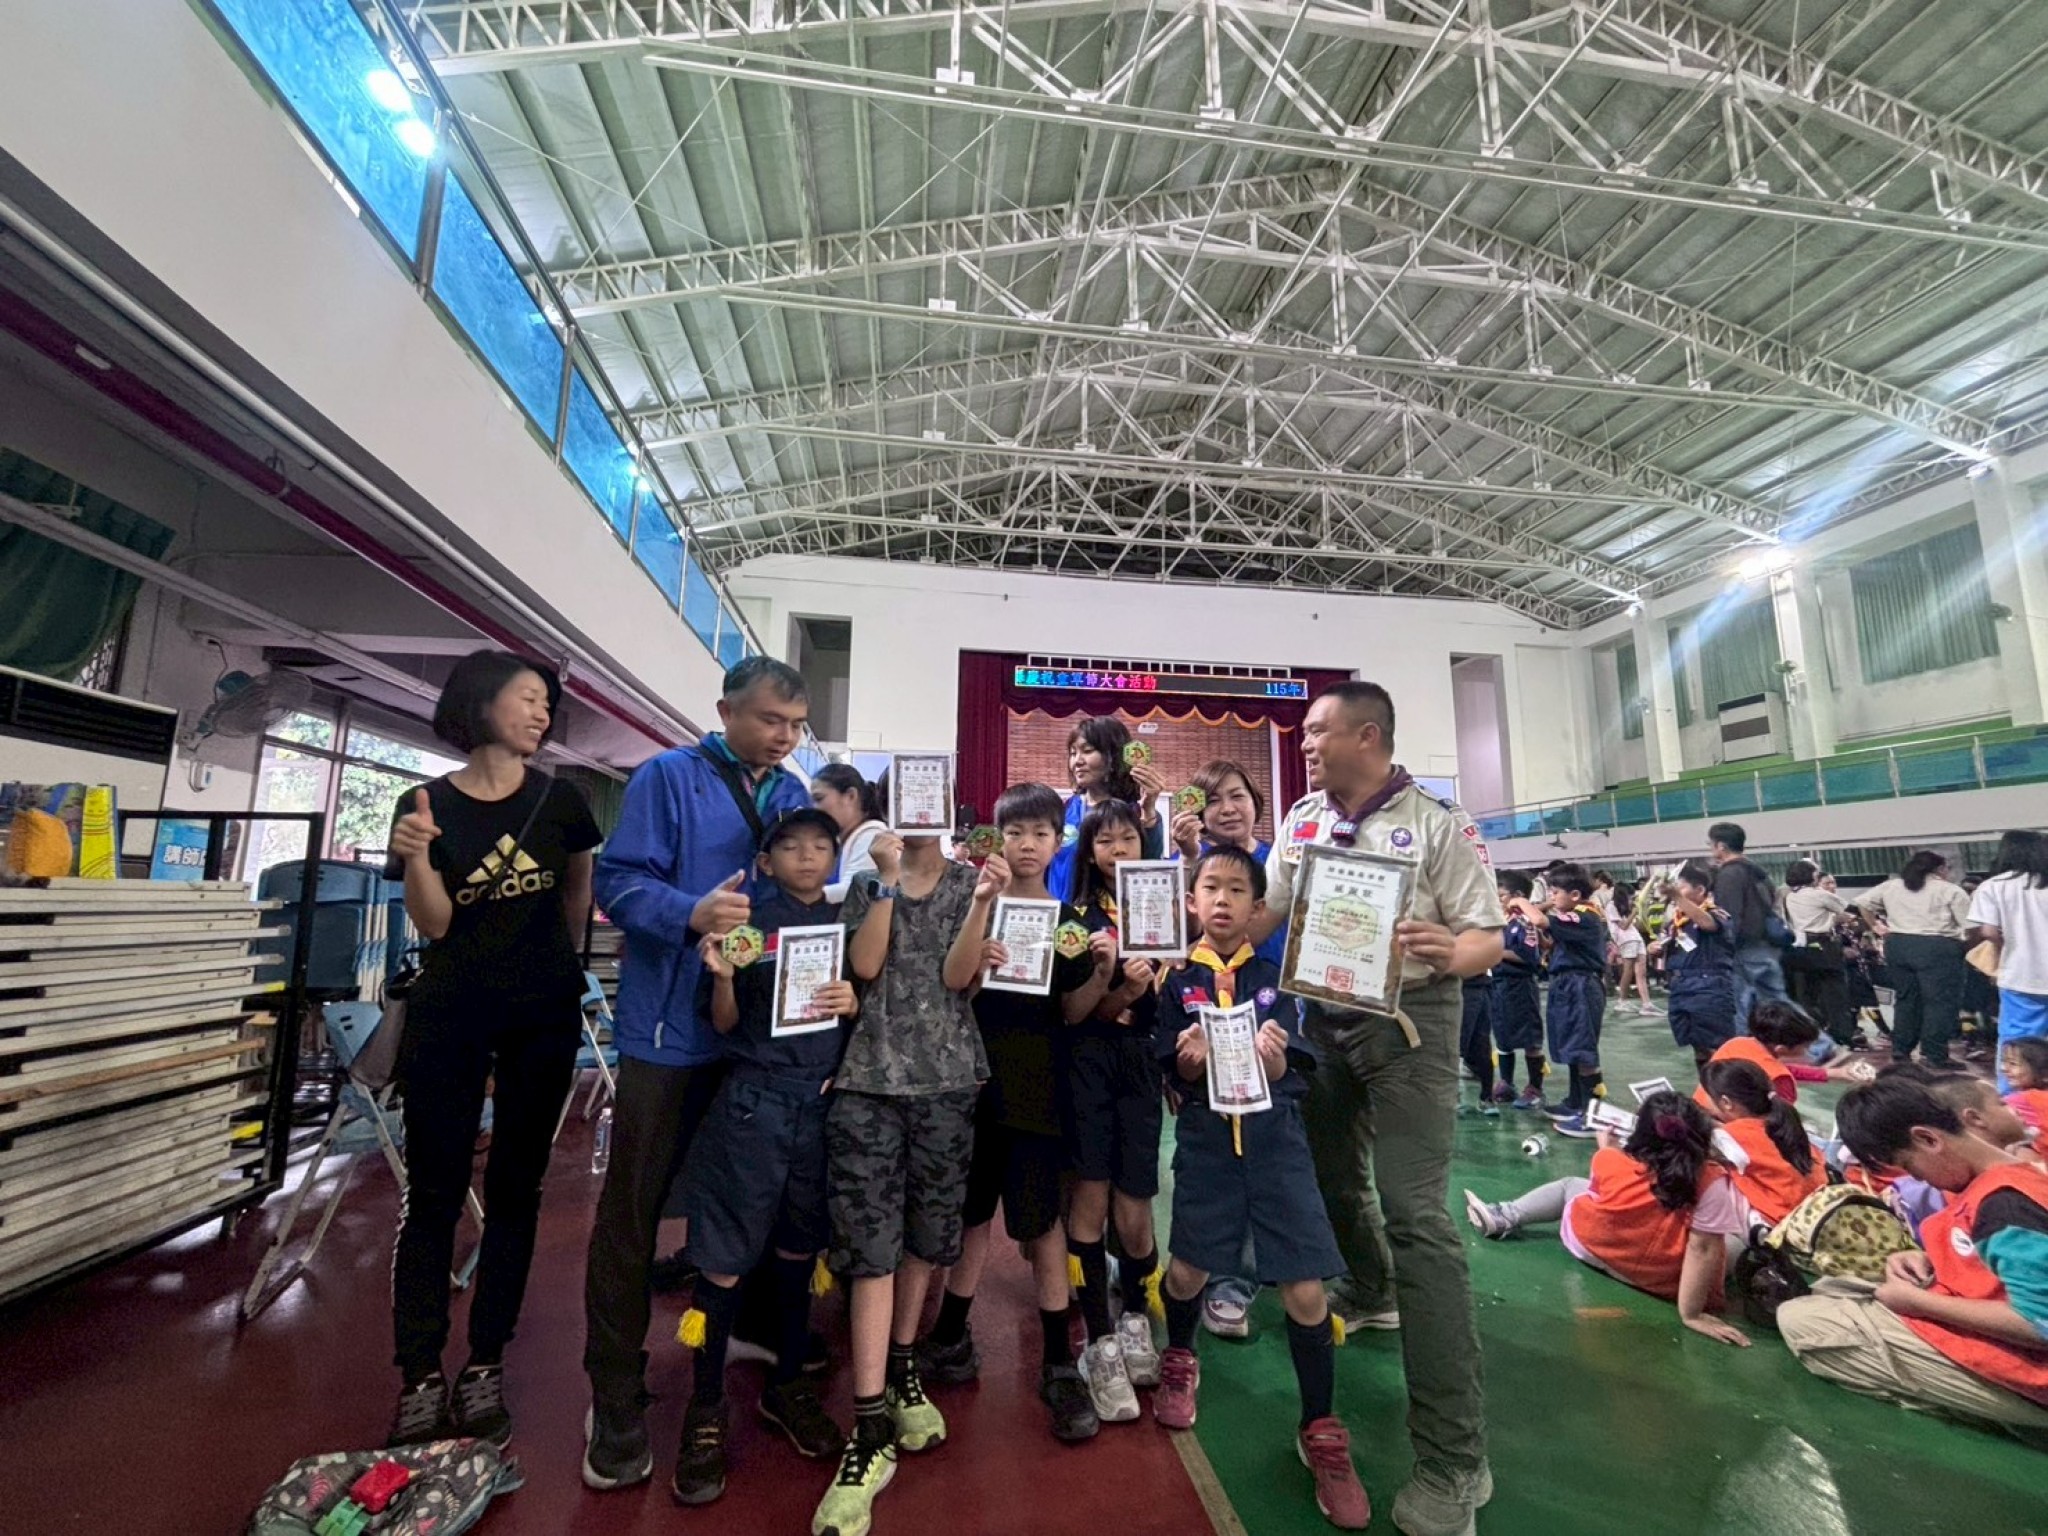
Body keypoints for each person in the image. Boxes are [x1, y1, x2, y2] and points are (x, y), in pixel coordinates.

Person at [1256, 681, 1503, 1536]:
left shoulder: (1437, 824)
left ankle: (1455, 1460)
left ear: (1368, 736)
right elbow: (1270, 912)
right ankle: (1370, 1287)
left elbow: (1488, 936)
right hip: (1322, 1021)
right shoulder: (1301, 820)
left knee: (1416, 1215)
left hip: (1411, 1028)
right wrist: (1188, 913)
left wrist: (1451, 950)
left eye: (1317, 730)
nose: (1305, 743)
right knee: (1328, 1178)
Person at [582, 657, 812, 1492]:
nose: (785, 737)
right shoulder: (666, 778)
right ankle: (613, 1392)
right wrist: (689, 912)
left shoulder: (791, 793)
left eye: (796, 725)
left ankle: (746, 1336)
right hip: (669, 1035)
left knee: (753, 1199)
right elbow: (616, 883)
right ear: (725, 711)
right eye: (770, 720)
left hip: (751, 1040)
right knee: (633, 1214)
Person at [381, 652, 603, 1448]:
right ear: (480, 703)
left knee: (517, 1188)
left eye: (547, 703)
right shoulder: (424, 803)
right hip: (451, 1013)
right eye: (528, 698)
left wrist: (555, 969)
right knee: (433, 1193)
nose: (542, 714)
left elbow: (577, 898)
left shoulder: (564, 801)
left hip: (542, 1016)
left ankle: (484, 1362)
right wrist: (416, 856)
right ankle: (419, 1370)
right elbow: (436, 922)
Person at [1155, 847, 1371, 1530]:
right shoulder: (1176, 981)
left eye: (1236, 890)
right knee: (1186, 1273)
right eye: (1210, 888)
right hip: (1208, 1145)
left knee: (1305, 1292)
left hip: (1277, 1146)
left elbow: (1301, 1062)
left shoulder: (1278, 979)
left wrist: (1276, 1063)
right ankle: (1180, 1355)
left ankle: (1319, 1426)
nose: (1222, 900)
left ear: (1257, 908)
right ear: (1192, 902)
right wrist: (1188, 1064)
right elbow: (1166, 1062)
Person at [671, 808, 860, 1502]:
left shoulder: (847, 928)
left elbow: (863, 1019)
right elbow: (722, 1025)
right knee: (723, 1260)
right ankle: (704, 1409)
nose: (807, 857)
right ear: (766, 860)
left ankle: (785, 1386)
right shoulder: (747, 925)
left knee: (798, 1250)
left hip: (820, 1108)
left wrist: (853, 1005)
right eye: (791, 846)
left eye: (821, 846)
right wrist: (723, 975)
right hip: (751, 1105)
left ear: (835, 857)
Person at [811, 812, 987, 1536]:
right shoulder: (865, 884)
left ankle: (904, 1367)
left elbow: (960, 977)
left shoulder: (973, 884)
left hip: (947, 1080)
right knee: (870, 1249)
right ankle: (868, 1421)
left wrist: (983, 905)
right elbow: (864, 967)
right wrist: (885, 882)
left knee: (925, 1240)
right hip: (868, 1084)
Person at [916, 783, 1107, 1442]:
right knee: (972, 1216)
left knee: (1041, 1222)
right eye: (1015, 832)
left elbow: (1074, 1013)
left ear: (1058, 842)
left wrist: (1101, 973)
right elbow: (954, 992)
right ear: (996, 839)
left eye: (1040, 833)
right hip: (973, 1087)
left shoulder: (1071, 924)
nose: (1027, 845)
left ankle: (1059, 1360)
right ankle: (949, 1332)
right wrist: (979, 960)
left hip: (1039, 1093)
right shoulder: (977, 910)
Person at [1777, 1075, 2048, 1437]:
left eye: (1911, 1166)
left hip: (2032, 1370)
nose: (1918, 1179)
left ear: (1928, 1139)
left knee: (1802, 1321)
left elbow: (2039, 1323)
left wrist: (1919, 1303)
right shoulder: (2011, 1175)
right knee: (1833, 1287)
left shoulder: (2006, 1204)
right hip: (1988, 1317)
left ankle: (2007, 1416)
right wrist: (1926, 1259)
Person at [1462, 1092, 1750, 1348]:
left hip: (1592, 1247)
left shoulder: (1611, 1159)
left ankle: (1504, 1215)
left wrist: (1606, 1147)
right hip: (1662, 1277)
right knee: (1733, 1242)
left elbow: (1607, 1184)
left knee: (1569, 1186)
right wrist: (1691, 1314)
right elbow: (1702, 1249)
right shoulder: (1711, 1182)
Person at [1052, 799, 1168, 1407]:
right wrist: (1121, 990)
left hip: (1140, 1066)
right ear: (1089, 852)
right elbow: (1080, 1012)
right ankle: (1099, 1337)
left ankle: (1136, 1316)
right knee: (1090, 1198)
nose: (1118, 849)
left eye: (1128, 838)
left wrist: (1145, 995)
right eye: (1105, 840)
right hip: (1088, 1066)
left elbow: (1169, 1008)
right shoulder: (1076, 919)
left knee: (1135, 1207)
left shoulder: (1167, 910)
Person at [1168, 758, 1282, 1336]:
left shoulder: (1282, 864)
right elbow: (1175, 945)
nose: (1228, 808)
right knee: (1213, 1162)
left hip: (1273, 1023)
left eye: (1237, 795)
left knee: (1266, 1154)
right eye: (1213, 800)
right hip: (1205, 1038)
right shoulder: (1194, 869)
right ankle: (1207, 1276)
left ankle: (1243, 1279)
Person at [1855, 849, 1973, 1068]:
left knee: (1906, 999)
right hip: (1938, 947)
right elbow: (1969, 926)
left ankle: (1901, 1050)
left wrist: (1876, 926)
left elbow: (1863, 903)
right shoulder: (1950, 890)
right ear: (1940, 869)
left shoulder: (1893, 886)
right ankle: (1934, 1054)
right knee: (1939, 1002)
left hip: (1898, 945)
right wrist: (1965, 947)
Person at [1047, 717, 1167, 900]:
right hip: (1060, 914)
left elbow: (1149, 868)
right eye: (1073, 753)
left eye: (1087, 751)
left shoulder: (1138, 813)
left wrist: (1149, 813)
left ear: (1114, 756)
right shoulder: (1063, 810)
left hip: (1110, 915)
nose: (1077, 761)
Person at [1699, 1059, 1826, 1227]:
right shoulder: (1785, 1121)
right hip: (1818, 1208)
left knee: (1710, 1177)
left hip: (1785, 1221)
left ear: (1726, 1103)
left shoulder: (1732, 1136)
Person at [1534, 862, 1608, 1137]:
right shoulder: (1573, 916)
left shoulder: (1585, 915)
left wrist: (1521, 902)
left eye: (1556, 892)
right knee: (1572, 1047)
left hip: (1581, 984)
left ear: (1575, 895)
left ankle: (1592, 1116)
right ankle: (1576, 1102)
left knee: (1583, 1048)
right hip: (1567, 983)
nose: (1552, 897)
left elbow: (1541, 920)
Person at [1970, 830, 2048, 1089]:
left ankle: (2013, 1099)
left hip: (2021, 976)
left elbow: (1989, 932)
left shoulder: (1994, 886)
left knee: (2016, 1043)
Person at [1693, 1001, 1860, 1109]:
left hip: (1702, 1115)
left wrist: (1834, 1073)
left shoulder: (1737, 1044)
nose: (1807, 1052)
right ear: (1781, 1049)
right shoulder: (1779, 1079)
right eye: (1805, 1047)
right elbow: (1784, 1123)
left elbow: (1776, 1068)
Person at [1657, 860, 1739, 1079]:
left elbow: (1708, 924)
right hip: (1680, 987)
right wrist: (1655, 948)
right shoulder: (1678, 920)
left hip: (1708, 986)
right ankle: (1706, 1089)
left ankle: (1726, 1090)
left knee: (1718, 1048)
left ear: (1700, 890)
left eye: (1681, 887)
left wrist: (1676, 897)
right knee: (1698, 1046)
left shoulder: (1716, 912)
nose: (1677, 891)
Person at [1708, 821, 1790, 1029]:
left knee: (1742, 1006)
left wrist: (1724, 948)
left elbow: (1728, 917)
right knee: (1777, 1004)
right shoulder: (1758, 872)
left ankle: (1744, 1049)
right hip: (1767, 945)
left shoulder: (1730, 874)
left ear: (1721, 846)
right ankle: (1816, 1043)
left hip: (1744, 949)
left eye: (1711, 844)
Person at [1781, 859, 1860, 1050]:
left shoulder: (1790, 897)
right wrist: (1841, 918)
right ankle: (1842, 1036)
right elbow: (1850, 910)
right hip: (1825, 946)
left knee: (1807, 995)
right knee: (1836, 994)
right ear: (1811, 876)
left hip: (1801, 947)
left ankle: (1814, 1034)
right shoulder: (1819, 895)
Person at [1489, 871, 1548, 1111]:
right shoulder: (1500, 921)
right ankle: (1506, 1083)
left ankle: (1535, 1088)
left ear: (1518, 895)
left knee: (1529, 1039)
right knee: (1502, 1036)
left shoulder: (1524, 922)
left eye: (1502, 895)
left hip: (1520, 986)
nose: (1498, 900)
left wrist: (1493, 952)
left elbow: (1529, 956)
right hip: (1498, 985)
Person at [813, 763, 888, 903]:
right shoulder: (843, 839)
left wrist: (802, 896)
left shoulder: (872, 835)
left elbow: (853, 890)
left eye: (819, 799)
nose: (813, 808)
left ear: (850, 796)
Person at [2002, 1039, 2048, 1160]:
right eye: (2004, 1062)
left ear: (2045, 1073)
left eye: (2013, 1064)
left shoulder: (2023, 1099)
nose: (2003, 1068)